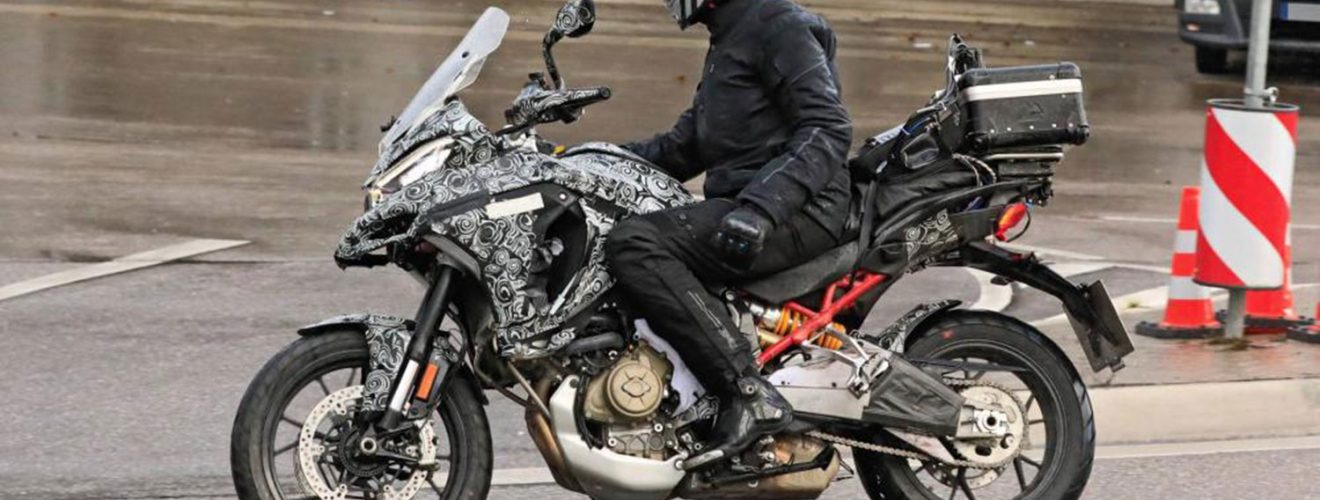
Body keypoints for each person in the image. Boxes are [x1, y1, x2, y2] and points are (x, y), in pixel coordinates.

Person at [605, 0, 853, 469]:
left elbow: (828, 127)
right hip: (752, 203)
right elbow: (683, 148)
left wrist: (762, 208)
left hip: (800, 209)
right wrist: (583, 160)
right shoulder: (732, 36)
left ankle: (748, 393)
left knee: (636, 244)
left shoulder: (779, 26)